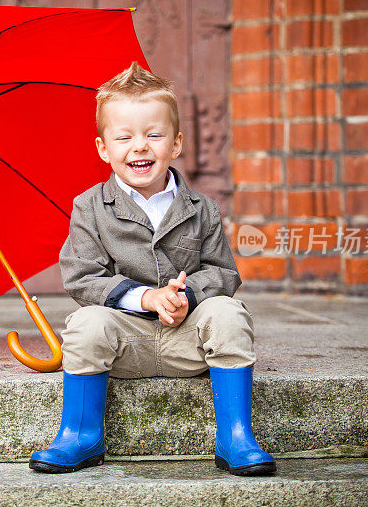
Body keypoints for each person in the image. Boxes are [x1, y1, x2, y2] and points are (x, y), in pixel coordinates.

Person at [28, 62, 276, 477]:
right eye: (124, 137)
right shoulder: (90, 207)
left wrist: (187, 296)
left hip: (188, 341)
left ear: (176, 143)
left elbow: (223, 272)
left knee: (229, 312)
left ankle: (236, 435)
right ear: (103, 148)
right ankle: (80, 433)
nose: (139, 147)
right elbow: (81, 276)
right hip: (126, 341)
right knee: (87, 322)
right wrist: (143, 297)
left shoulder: (201, 208)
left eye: (154, 135)